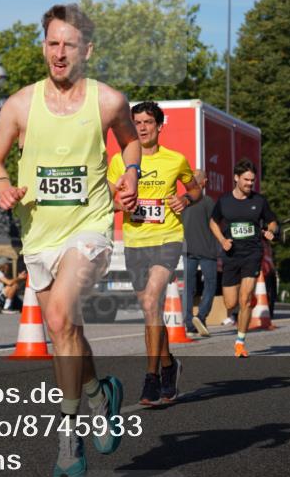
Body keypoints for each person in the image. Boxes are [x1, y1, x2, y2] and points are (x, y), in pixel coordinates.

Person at [0, 3, 140, 477]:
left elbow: (130, 141)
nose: (59, 52)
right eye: (52, 43)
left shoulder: (109, 101)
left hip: (90, 227)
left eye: (69, 44)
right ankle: (99, 394)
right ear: (44, 47)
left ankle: (68, 437)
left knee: (58, 318)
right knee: (65, 331)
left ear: (87, 50)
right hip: (39, 235)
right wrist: (2, 185)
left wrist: (130, 175)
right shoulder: (19, 105)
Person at [107, 101, 201, 405]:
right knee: (151, 311)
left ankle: (151, 379)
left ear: (160, 126)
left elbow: (196, 189)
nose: (142, 128)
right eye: (136, 123)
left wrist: (185, 200)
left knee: (150, 301)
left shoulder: (175, 160)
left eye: (148, 122)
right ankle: (169, 365)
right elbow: (106, 200)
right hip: (134, 242)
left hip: (167, 239)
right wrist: (121, 205)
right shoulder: (120, 162)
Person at [209, 158, 278, 358]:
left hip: (253, 253)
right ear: (236, 178)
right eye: (246, 180)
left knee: (245, 299)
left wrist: (270, 231)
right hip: (231, 254)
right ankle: (246, 301)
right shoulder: (224, 201)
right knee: (230, 304)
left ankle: (240, 341)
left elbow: (272, 221)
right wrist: (222, 240)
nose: (250, 184)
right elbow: (213, 222)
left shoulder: (259, 201)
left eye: (252, 180)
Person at [181, 169, 218, 337]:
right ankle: (201, 316)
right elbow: (215, 225)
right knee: (210, 284)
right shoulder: (208, 201)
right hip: (207, 250)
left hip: (188, 250)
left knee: (188, 287)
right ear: (203, 182)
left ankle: (188, 322)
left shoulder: (182, 202)